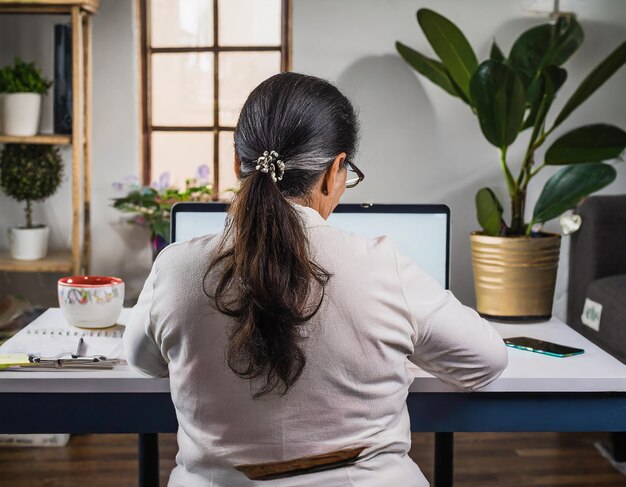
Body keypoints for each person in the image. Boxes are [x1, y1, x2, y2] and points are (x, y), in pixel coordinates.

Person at [124, 72, 508, 487]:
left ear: (237, 162)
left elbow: (143, 360)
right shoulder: (383, 266)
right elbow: (485, 361)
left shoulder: (175, 268)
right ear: (335, 170)